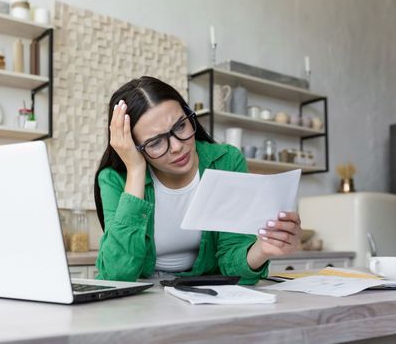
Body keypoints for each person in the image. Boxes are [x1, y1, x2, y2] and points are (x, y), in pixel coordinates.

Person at [94, 76, 302, 284]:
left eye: (180, 126)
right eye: (155, 142)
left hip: (205, 295)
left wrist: (262, 249)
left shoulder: (225, 160)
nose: (177, 146)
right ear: (132, 147)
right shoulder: (115, 178)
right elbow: (116, 274)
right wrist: (136, 169)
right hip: (144, 300)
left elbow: (234, 266)